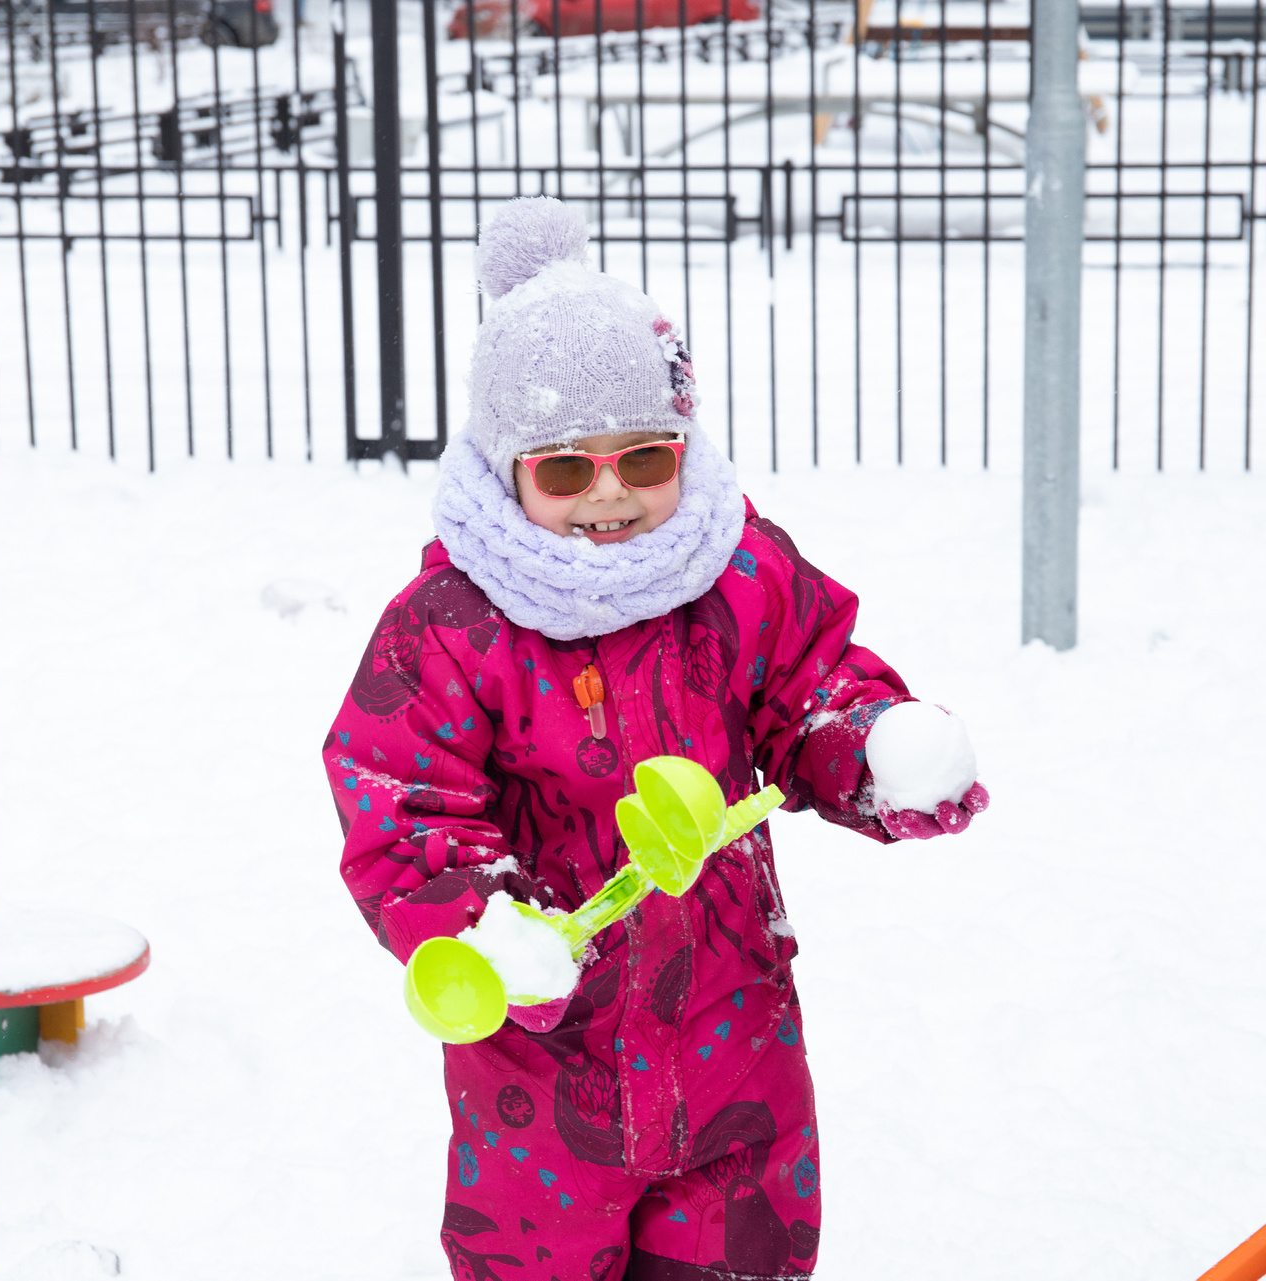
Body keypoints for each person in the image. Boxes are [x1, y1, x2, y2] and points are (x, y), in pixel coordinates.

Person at [322, 197, 990, 1280]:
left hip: (735, 1027)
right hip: (540, 1059)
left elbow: (808, 688)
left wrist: (870, 744)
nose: (609, 497)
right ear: (506, 469)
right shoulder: (451, 626)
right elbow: (400, 801)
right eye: (563, 469)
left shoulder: (739, 571)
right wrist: (483, 924)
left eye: (642, 460)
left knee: (742, 1255)